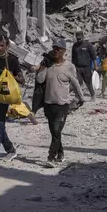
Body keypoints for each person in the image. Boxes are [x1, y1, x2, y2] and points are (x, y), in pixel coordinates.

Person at [36, 39, 85, 167]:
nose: (56, 50)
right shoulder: (48, 65)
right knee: (54, 132)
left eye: (59, 48)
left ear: (64, 51)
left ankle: (50, 157)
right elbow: (40, 80)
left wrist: (81, 98)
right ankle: (61, 153)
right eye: (54, 48)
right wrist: (42, 66)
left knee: (56, 130)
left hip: (62, 105)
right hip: (48, 104)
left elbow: (75, 83)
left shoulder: (69, 66)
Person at [0, 36, 24, 166]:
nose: (0, 48)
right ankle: (10, 149)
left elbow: (21, 79)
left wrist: (11, 76)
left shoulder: (12, 60)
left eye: (2, 46)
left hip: (5, 98)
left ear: (8, 46)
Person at [71, 31, 97, 101]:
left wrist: (95, 66)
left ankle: (93, 95)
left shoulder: (88, 45)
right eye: (77, 39)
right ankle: (77, 96)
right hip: (77, 67)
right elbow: (73, 57)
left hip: (87, 67)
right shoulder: (75, 46)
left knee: (88, 82)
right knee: (77, 82)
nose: (79, 40)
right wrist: (73, 67)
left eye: (80, 38)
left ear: (83, 37)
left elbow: (93, 56)